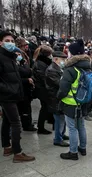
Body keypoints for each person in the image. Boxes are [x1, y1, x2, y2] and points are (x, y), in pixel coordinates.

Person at [0, 31, 35, 162]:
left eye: (12, 41)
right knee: (16, 123)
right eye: (7, 41)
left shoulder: (11, 57)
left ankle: (7, 147)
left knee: (8, 121)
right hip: (7, 96)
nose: (10, 43)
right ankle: (17, 152)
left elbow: (21, 73)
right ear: (1, 42)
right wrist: (8, 89)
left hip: (12, 94)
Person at [57, 39, 89, 160]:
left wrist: (58, 97)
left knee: (72, 128)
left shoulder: (70, 69)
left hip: (71, 103)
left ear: (73, 54)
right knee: (81, 126)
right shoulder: (87, 66)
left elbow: (63, 88)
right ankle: (83, 148)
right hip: (83, 102)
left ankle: (73, 152)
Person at [45, 50, 69, 147]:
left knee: (62, 118)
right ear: (55, 59)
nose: (64, 61)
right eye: (62, 59)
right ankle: (58, 139)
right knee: (59, 119)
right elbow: (59, 83)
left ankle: (62, 134)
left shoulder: (59, 68)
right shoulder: (52, 70)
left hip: (59, 98)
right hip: (55, 98)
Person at [33, 45, 54, 134]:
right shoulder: (41, 63)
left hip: (42, 88)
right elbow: (43, 77)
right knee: (45, 107)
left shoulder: (41, 62)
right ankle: (41, 127)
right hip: (42, 88)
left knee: (45, 106)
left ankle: (45, 122)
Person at [15, 46, 36, 131]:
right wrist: (27, 80)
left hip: (26, 89)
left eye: (19, 54)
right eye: (16, 54)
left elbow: (29, 71)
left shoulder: (23, 62)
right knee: (23, 109)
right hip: (20, 89)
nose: (18, 55)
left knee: (27, 108)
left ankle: (28, 123)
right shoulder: (14, 64)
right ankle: (25, 124)